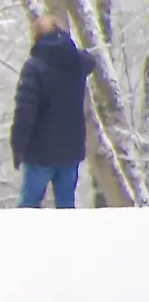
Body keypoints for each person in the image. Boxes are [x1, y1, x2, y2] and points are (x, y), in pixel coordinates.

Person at [10, 14, 94, 208]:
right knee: (66, 206)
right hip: (71, 149)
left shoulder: (34, 67)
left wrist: (18, 146)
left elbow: (25, 111)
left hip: (40, 152)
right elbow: (91, 60)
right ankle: (66, 239)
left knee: (28, 205)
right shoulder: (77, 63)